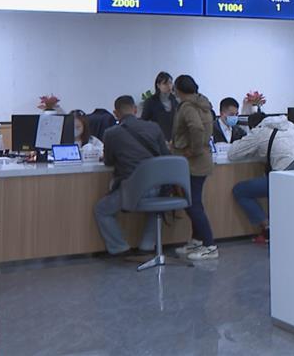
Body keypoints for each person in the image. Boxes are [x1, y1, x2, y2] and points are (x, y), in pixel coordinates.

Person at [93, 95, 169, 256]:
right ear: (135, 110)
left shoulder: (111, 133)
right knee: (156, 208)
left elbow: (109, 161)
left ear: (116, 113)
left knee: (101, 210)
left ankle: (120, 248)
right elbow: (165, 155)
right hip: (158, 187)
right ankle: (147, 246)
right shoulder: (154, 127)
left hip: (132, 189)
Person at [228, 113, 294, 243]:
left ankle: (267, 227)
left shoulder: (260, 131)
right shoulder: (290, 125)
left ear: (254, 126)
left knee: (240, 190)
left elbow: (233, 153)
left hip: (283, 179)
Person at [171, 74, 218, 261]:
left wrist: (193, 150)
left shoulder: (188, 106)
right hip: (202, 160)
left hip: (193, 162)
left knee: (193, 204)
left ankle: (210, 246)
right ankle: (197, 240)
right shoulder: (203, 104)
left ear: (178, 89)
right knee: (194, 202)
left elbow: (196, 128)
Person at [141, 71, 180, 142]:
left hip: (175, 138)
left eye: (170, 83)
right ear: (158, 85)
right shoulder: (150, 102)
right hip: (158, 139)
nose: (169, 86)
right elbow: (143, 122)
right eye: (165, 83)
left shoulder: (176, 100)